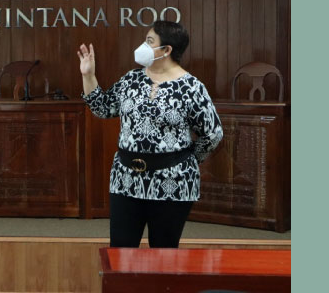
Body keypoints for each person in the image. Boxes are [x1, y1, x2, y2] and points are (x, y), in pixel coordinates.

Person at [77, 20, 223, 248]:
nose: (142, 46)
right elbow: (103, 108)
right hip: (126, 179)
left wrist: (187, 160)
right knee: (121, 250)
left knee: (164, 254)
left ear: (167, 50)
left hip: (172, 182)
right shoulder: (131, 79)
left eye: (149, 41)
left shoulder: (192, 87)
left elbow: (212, 134)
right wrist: (88, 75)